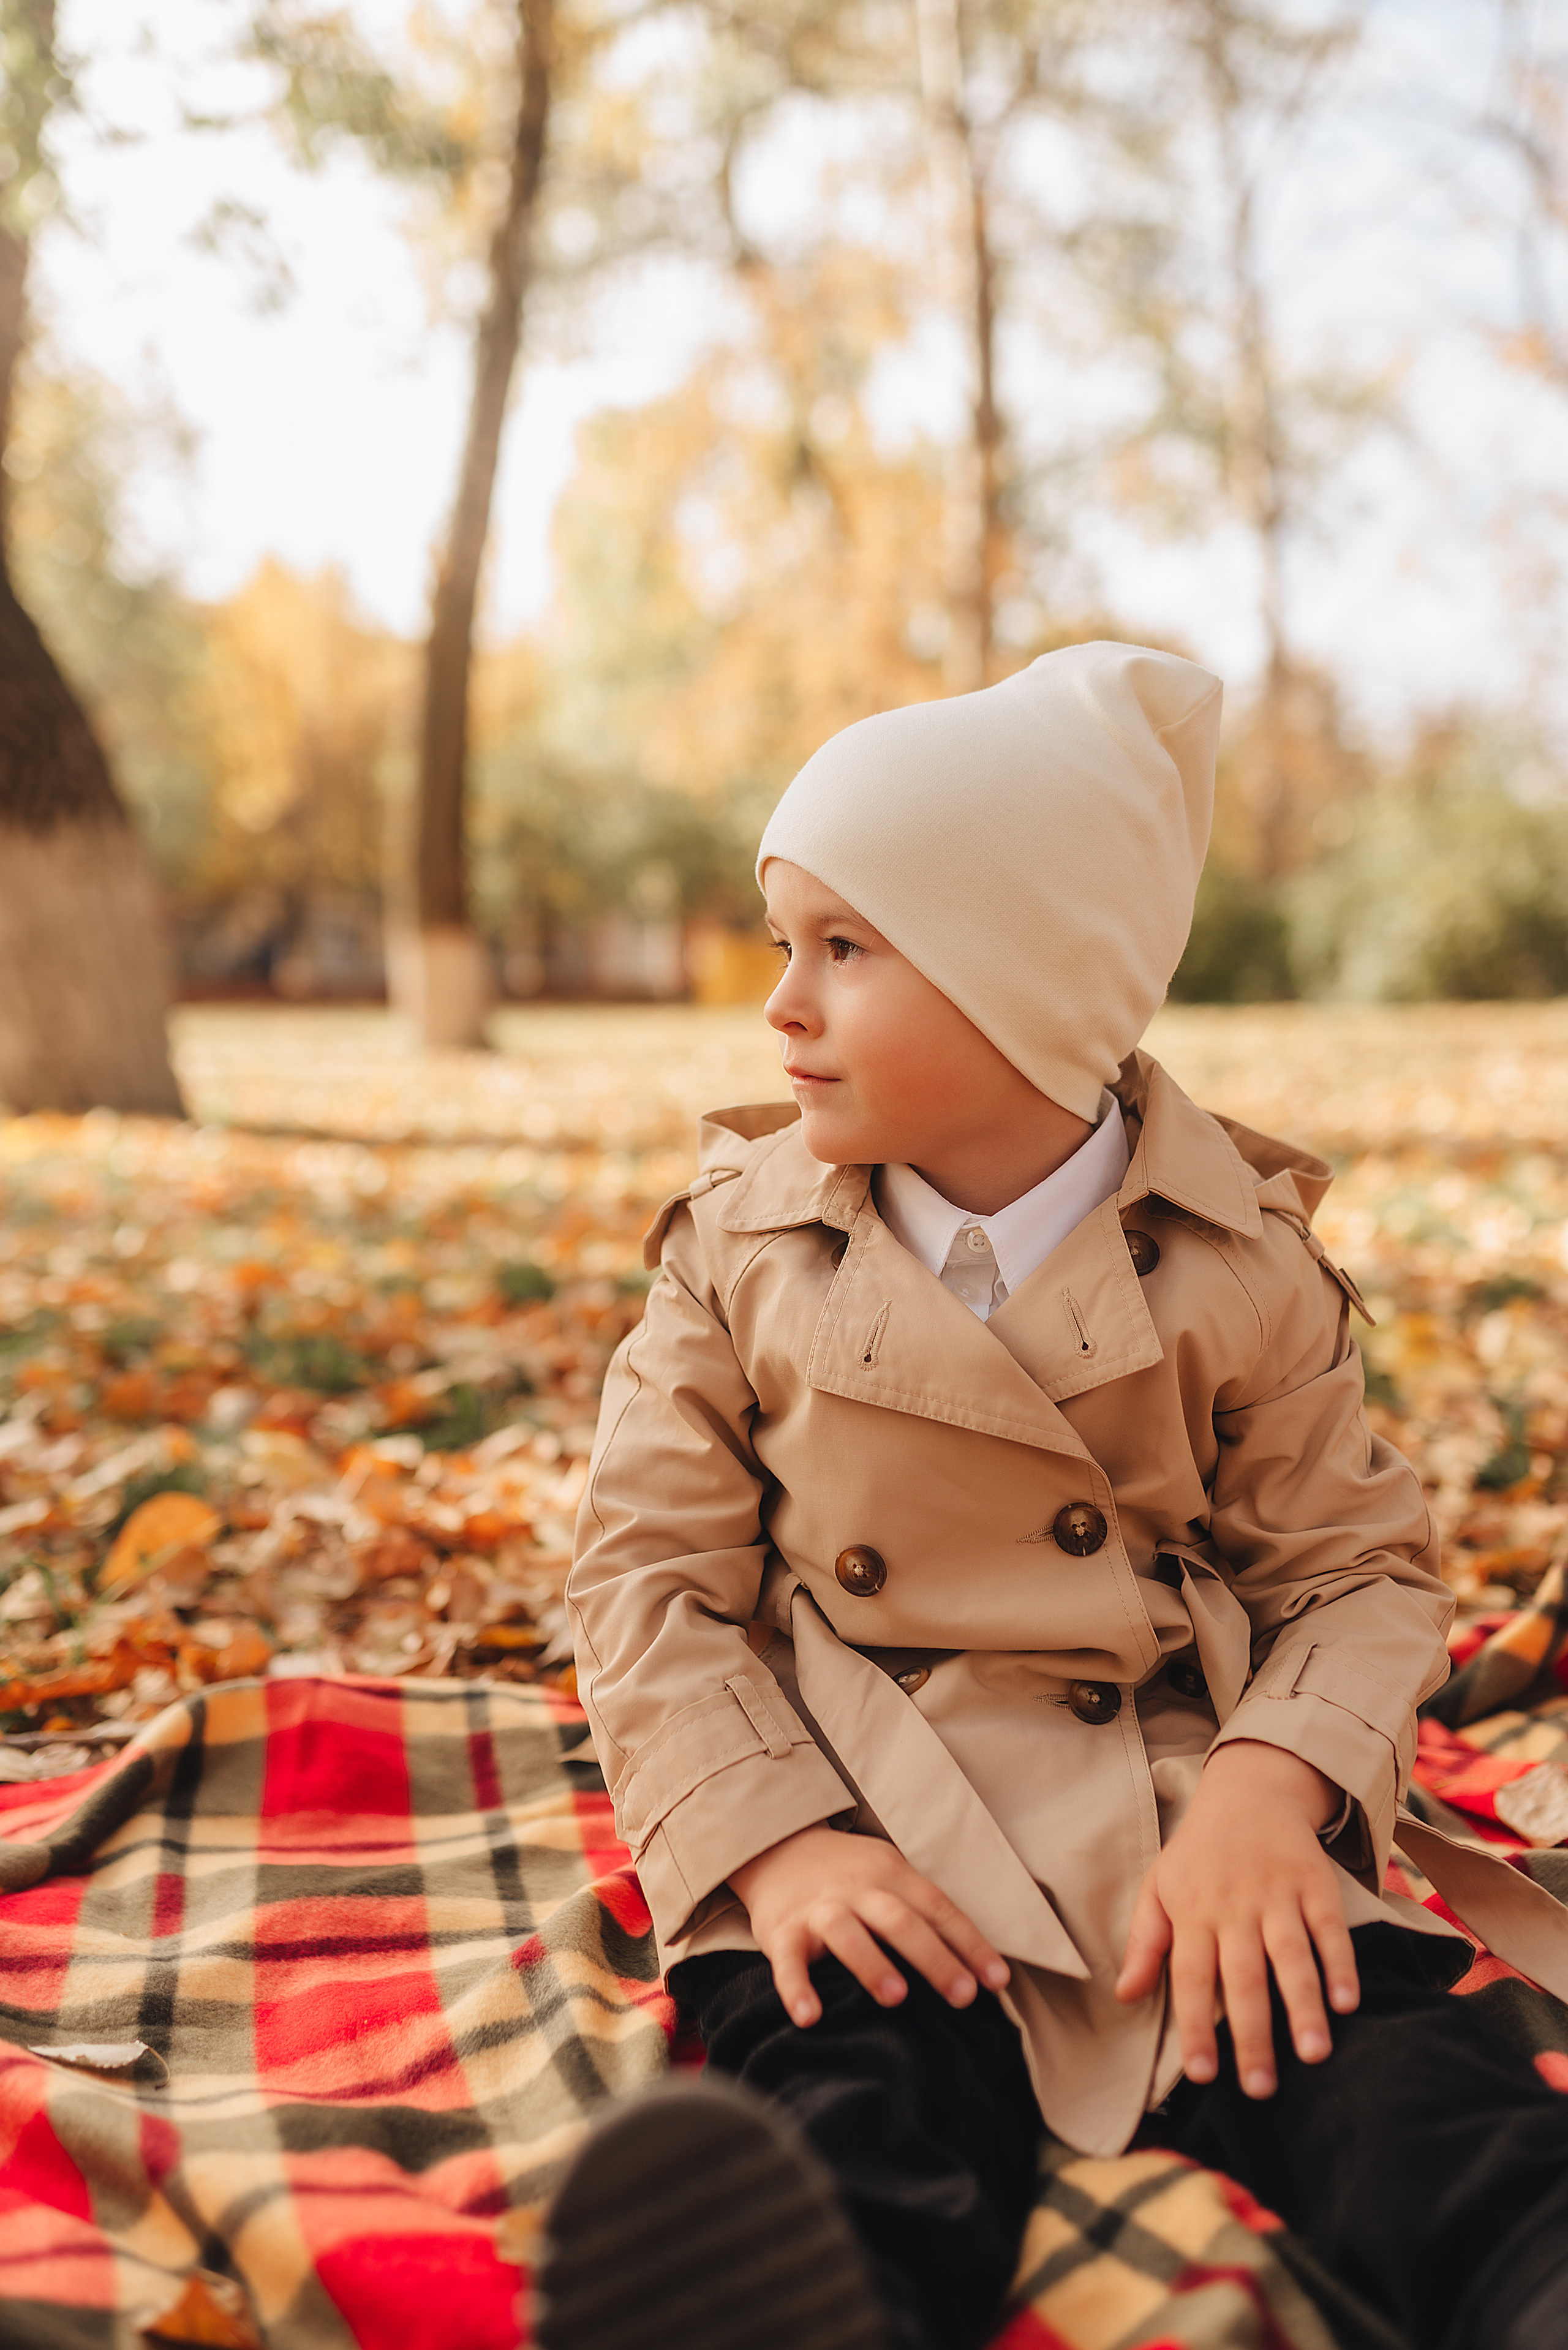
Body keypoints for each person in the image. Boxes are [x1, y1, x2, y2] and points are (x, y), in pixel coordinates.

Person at [542, 644, 1568, 2350]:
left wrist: (1268, 1793)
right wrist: (777, 1850)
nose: (781, 1005)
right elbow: (645, 1579)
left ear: (1026, 985)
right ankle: (792, 2305)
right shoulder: (740, 1250)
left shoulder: (1235, 1262)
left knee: (1406, 2086)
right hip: (870, 1799)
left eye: (844, 949)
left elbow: (1355, 1575)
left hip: (1176, 1810)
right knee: (849, 2094)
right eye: (785, 942)